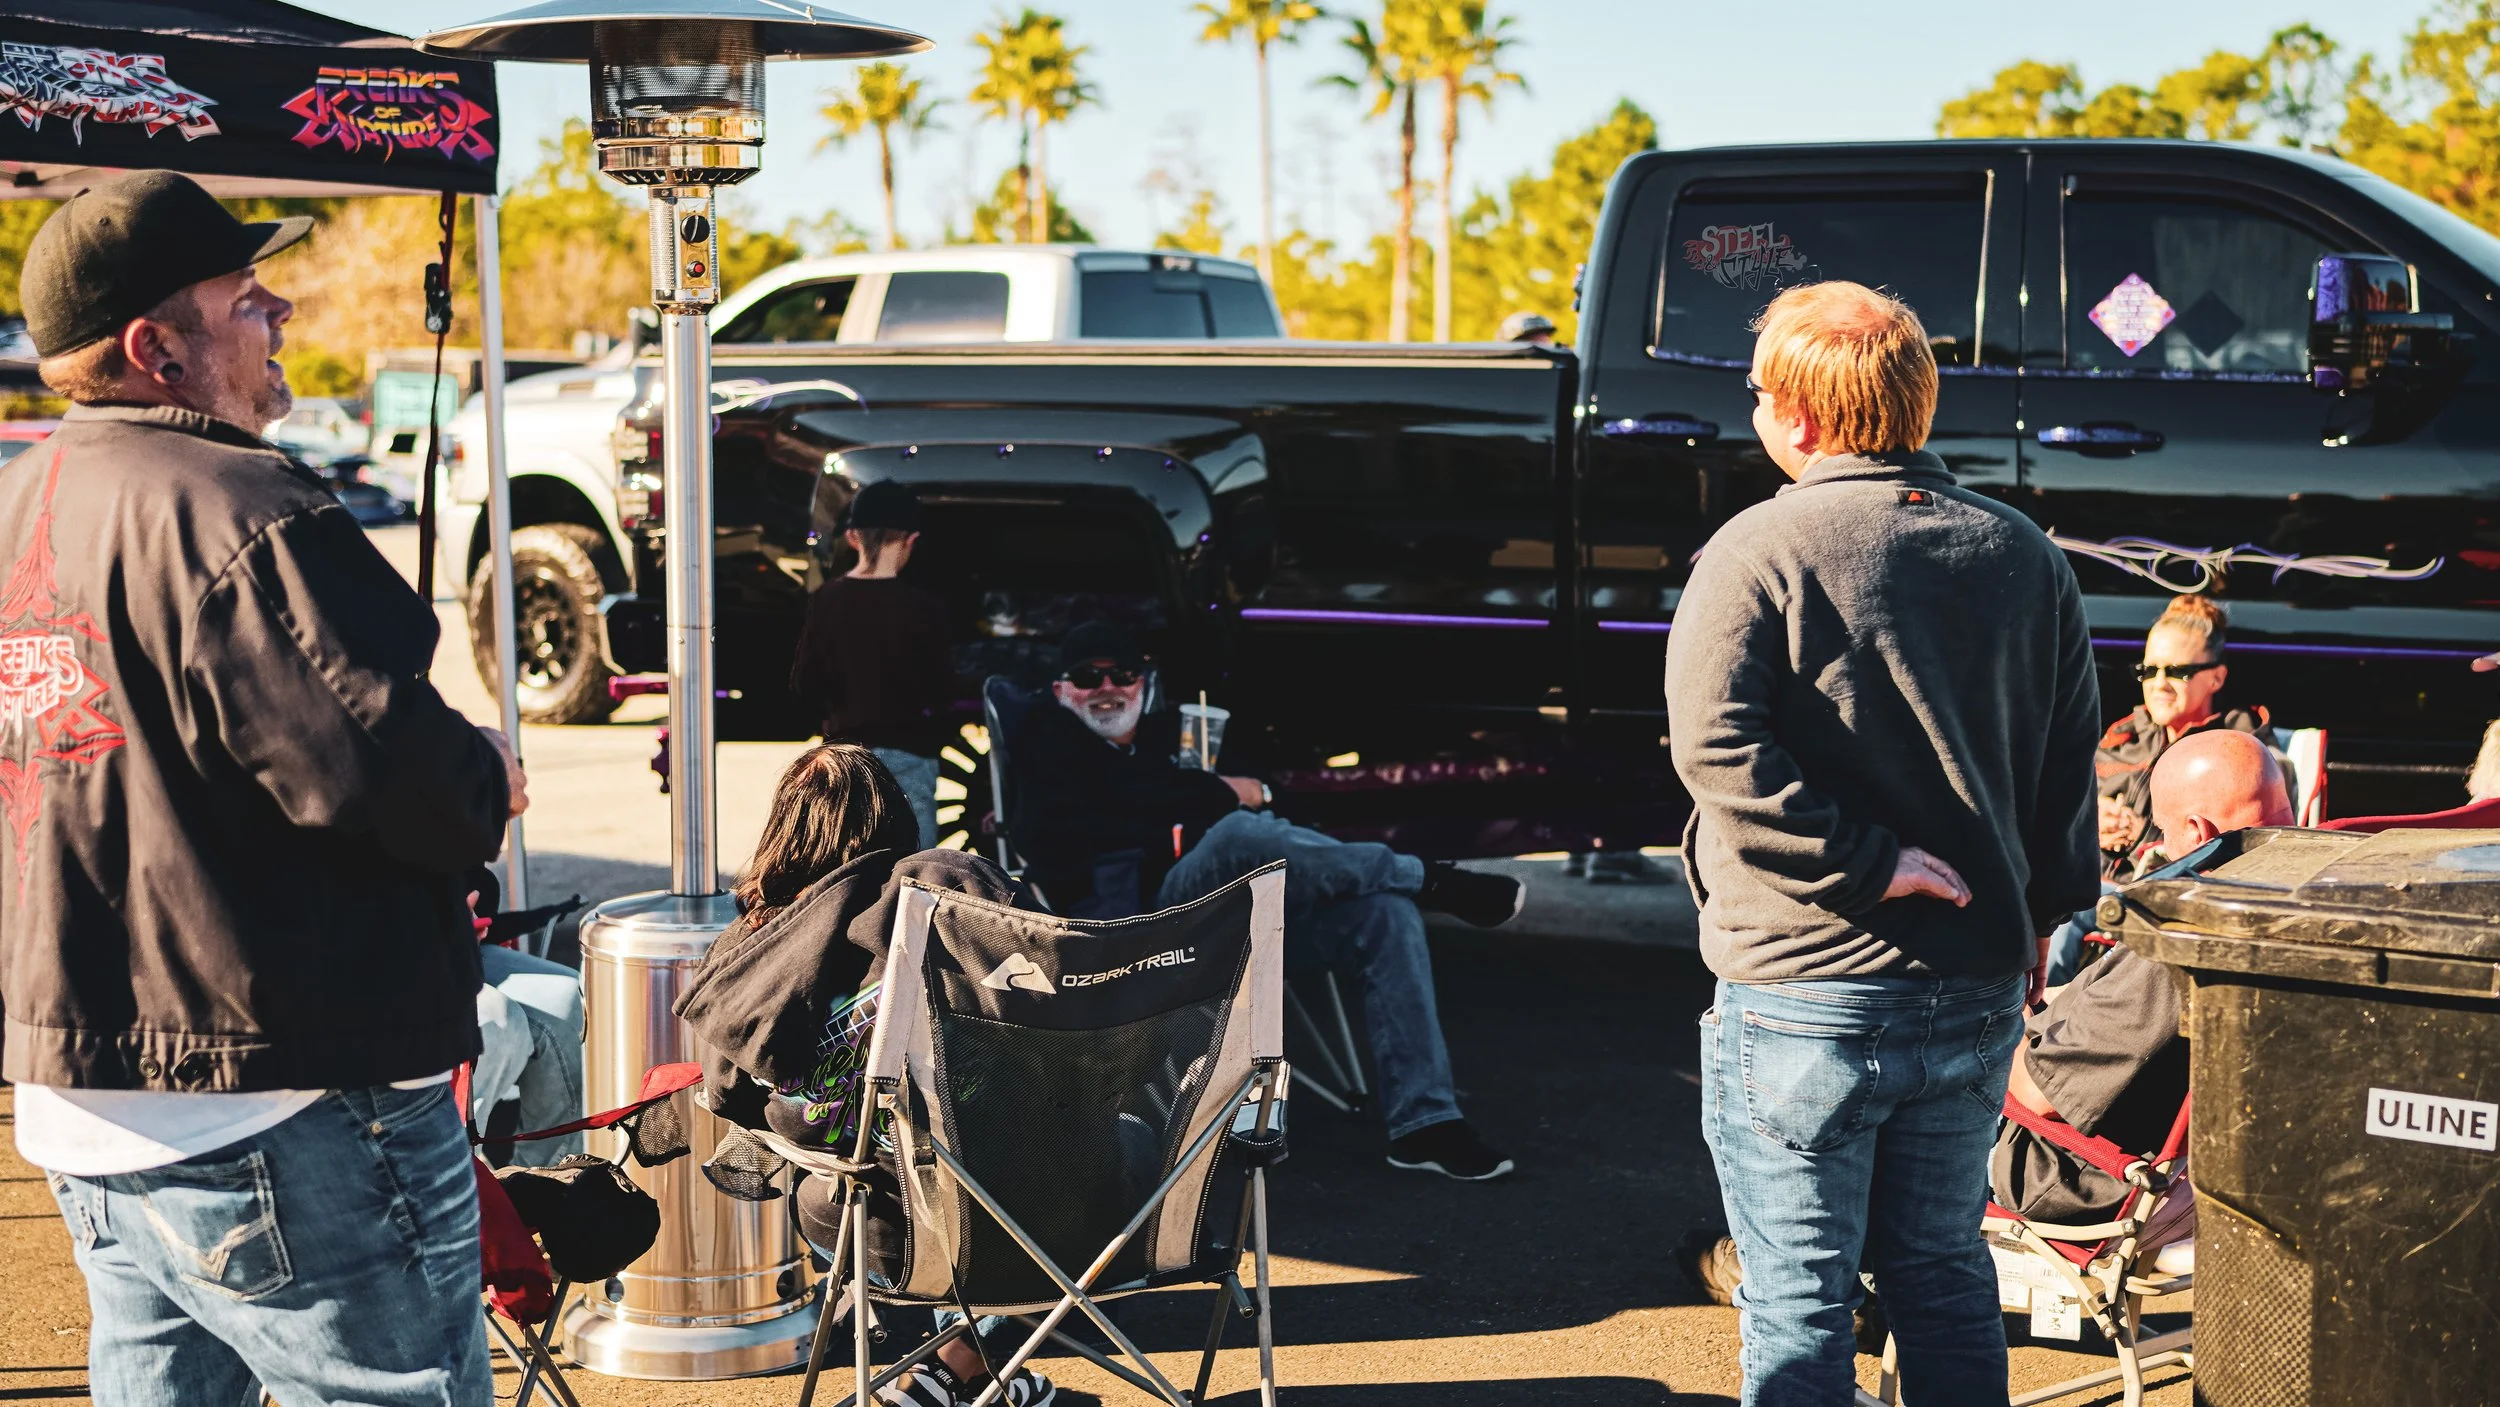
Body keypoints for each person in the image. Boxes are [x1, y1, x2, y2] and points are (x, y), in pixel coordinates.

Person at [3, 173, 525, 1406]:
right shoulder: (240, 509)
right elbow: (389, 779)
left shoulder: (26, 502)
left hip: (87, 1100)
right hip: (275, 1100)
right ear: (156, 349)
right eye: (245, 297)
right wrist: (486, 773)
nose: (280, 306)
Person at [1664, 280, 2102, 1405]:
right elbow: (2067, 759)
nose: (1752, 409)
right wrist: (2044, 911)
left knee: (1800, 1297)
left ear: (1800, 418)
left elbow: (1715, 751)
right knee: (1942, 1270)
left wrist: (1864, 864)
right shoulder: (2021, 553)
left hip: (1808, 988)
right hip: (1971, 987)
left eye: (1758, 391)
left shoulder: (1756, 549)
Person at [1683, 729, 2282, 1310]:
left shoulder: (2180, 939)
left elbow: (2034, 1091)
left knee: (1864, 1080)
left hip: (2078, 1178)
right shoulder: (2294, 912)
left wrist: (1981, 1023)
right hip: (2198, 1178)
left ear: (2199, 830)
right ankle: (1830, 1270)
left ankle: (1800, 1274)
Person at [1009, 620, 1524, 1181]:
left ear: (1144, 682)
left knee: (1384, 914)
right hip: (1140, 934)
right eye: (1089, 677)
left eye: (1122, 674)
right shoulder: (1047, 740)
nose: (1107, 688)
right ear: (1063, 690)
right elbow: (1118, 810)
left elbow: (1271, 804)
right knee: (1234, 833)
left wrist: (1213, 793)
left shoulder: (1175, 739)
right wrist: (1220, 792)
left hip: (1234, 926)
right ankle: (1429, 878)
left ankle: (1426, 1123)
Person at [674, 744, 1054, 1407]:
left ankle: (947, 1371)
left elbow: (728, 1095)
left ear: (784, 832)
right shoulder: (967, 900)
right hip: (1077, 1209)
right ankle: (975, 1365)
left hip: (878, 1218)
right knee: (1050, 1137)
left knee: (843, 1167)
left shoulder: (760, 947)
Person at [792, 479, 954, 849]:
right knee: (913, 873)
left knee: (848, 864)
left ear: (851, 537)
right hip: (909, 749)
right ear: (911, 540)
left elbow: (806, 682)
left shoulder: (826, 600)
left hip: (845, 756)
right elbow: (942, 688)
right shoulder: (924, 607)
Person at [2094, 594, 2270, 876]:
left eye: (2178, 672)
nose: (2159, 684)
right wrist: (2091, 821)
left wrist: (2145, 839)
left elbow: (2251, 851)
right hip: (2094, 893)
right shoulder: (2122, 738)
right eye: (2149, 671)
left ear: (2217, 678)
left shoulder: (2242, 752)